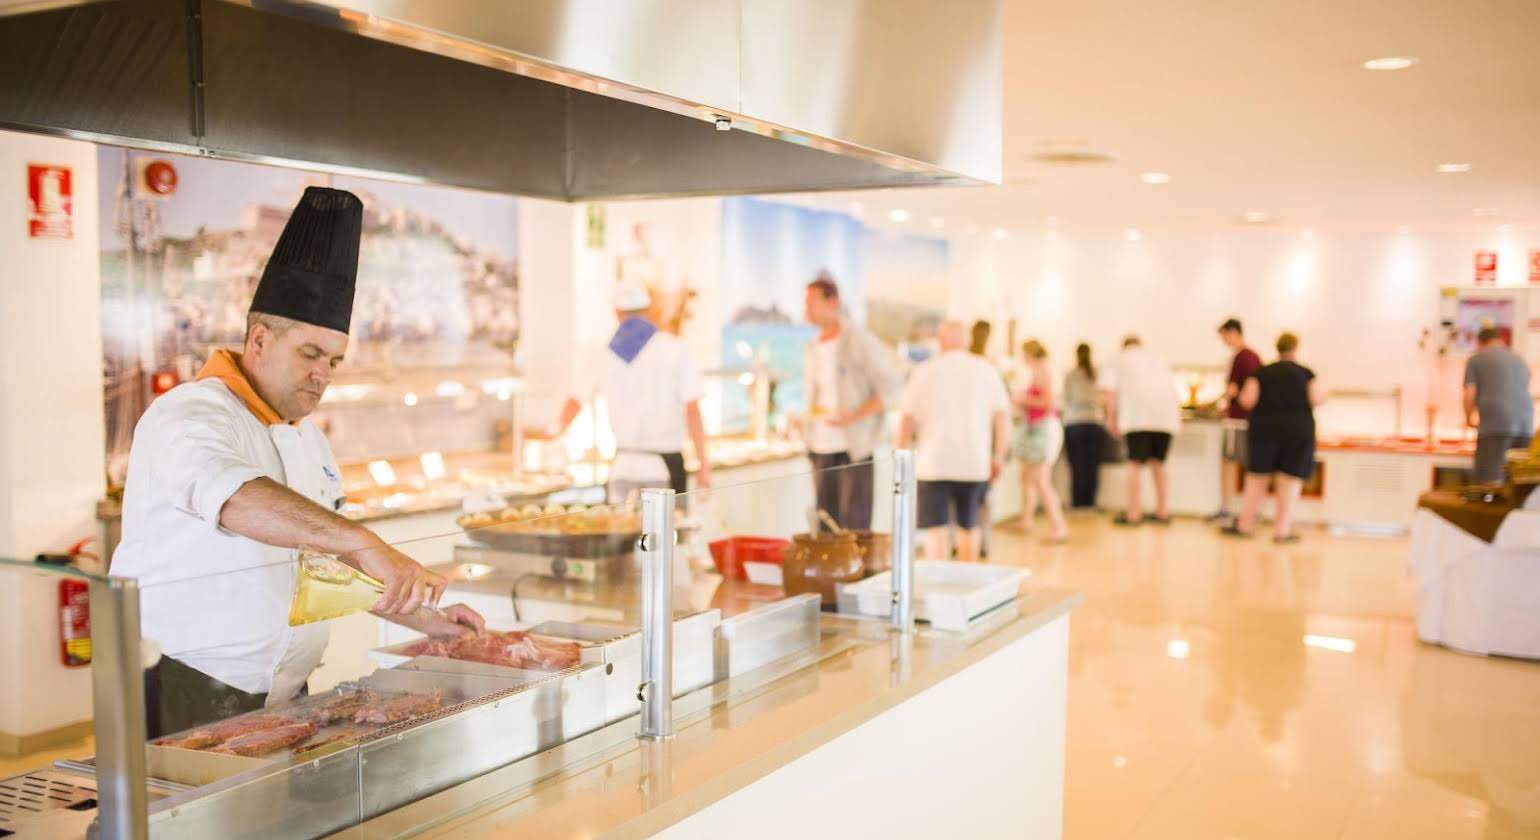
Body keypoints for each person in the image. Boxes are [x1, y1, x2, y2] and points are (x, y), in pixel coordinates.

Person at [112, 188, 486, 738]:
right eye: (310, 354)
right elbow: (235, 498)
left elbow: (328, 563)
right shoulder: (187, 416)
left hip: (287, 692)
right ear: (259, 339)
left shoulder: (308, 437)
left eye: (334, 360)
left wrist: (431, 622)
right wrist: (364, 540)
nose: (323, 375)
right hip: (183, 683)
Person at [558, 281, 713, 505]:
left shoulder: (601, 353)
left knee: (622, 527)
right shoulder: (675, 348)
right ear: (649, 310)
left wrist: (555, 437)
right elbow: (692, 410)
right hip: (665, 463)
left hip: (623, 465)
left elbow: (574, 403)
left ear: (616, 312)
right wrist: (703, 465)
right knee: (668, 526)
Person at [895, 321, 1011, 563]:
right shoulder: (986, 369)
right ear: (968, 341)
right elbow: (1002, 417)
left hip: (933, 463)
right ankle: (968, 580)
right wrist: (999, 455)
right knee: (969, 527)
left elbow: (906, 418)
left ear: (940, 341)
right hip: (974, 462)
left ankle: (939, 581)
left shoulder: (924, 370)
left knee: (936, 530)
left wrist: (900, 454)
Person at [803, 276, 904, 530]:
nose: (806, 308)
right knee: (825, 527)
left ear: (832, 302)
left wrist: (856, 415)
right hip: (820, 447)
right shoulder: (812, 346)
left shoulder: (859, 339)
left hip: (854, 449)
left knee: (855, 528)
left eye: (812, 302)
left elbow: (890, 388)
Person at [1223, 332, 1324, 542]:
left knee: (1257, 477)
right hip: (1297, 431)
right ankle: (1282, 531)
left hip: (1264, 430)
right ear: (1295, 348)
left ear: (1277, 348)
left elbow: (1247, 401)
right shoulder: (1306, 373)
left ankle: (1245, 525)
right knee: (1289, 480)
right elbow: (1317, 398)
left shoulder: (1262, 372)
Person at [1103, 334, 1180, 525]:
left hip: (1137, 417)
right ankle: (1162, 512)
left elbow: (1109, 392)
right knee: (1158, 463)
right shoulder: (1157, 359)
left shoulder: (1117, 359)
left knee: (1134, 463)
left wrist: (1111, 419)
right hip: (1165, 418)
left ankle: (1133, 514)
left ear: (1124, 346)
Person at [1010, 340, 1069, 542]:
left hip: (1044, 430)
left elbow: (1049, 402)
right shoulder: (1039, 371)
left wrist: (1022, 399)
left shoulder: (1043, 371)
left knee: (1042, 480)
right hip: (1036, 429)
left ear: (1029, 353)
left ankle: (1059, 528)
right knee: (1026, 476)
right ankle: (1026, 520)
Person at [1463, 326, 1534, 483]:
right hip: (1526, 426)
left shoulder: (1476, 359)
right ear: (1501, 341)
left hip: (1496, 424)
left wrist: (1468, 418)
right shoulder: (1519, 359)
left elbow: (1470, 392)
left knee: (1488, 481)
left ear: (1480, 342)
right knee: (1517, 480)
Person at [1211, 318, 1262, 524]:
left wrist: (1212, 403)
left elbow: (1233, 390)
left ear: (1233, 332)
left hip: (1237, 421)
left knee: (1229, 464)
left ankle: (1227, 510)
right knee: (1250, 467)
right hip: (1250, 421)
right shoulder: (1254, 356)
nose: (1223, 341)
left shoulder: (1241, 357)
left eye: (1224, 336)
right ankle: (1250, 511)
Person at [1061, 342, 1106, 510]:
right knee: (1092, 465)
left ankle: (1077, 502)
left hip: (1075, 423)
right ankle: (1090, 502)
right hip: (1095, 422)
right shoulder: (1097, 374)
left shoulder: (1070, 375)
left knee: (1077, 465)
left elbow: (1066, 399)